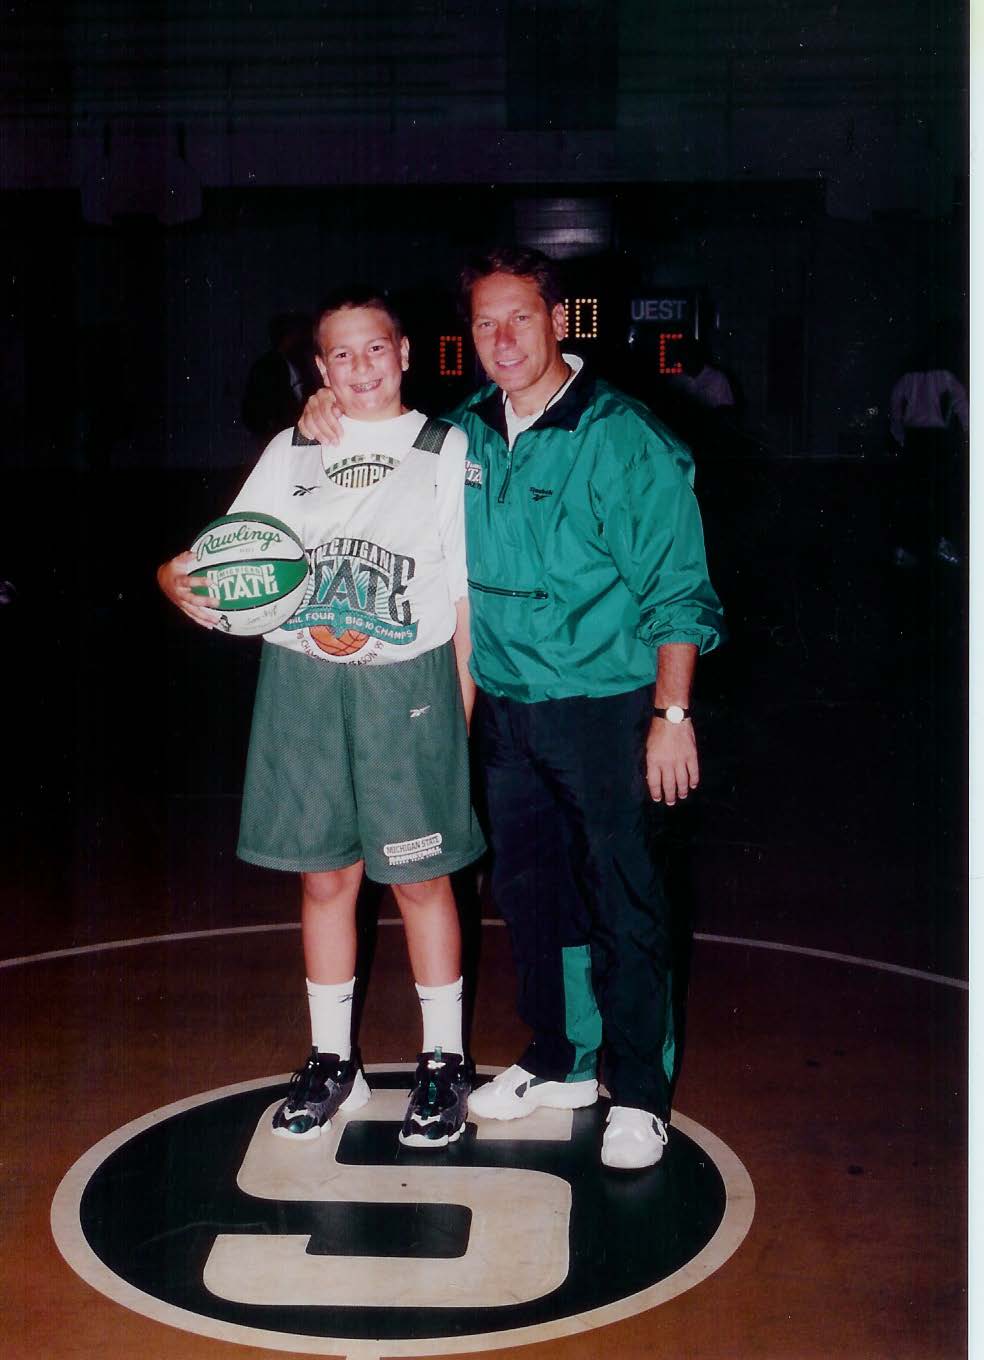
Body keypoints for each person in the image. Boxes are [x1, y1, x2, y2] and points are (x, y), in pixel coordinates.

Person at [300, 247, 724, 1170]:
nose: (501, 340)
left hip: (608, 708)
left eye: (520, 318)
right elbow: (379, 453)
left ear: (558, 321)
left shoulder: (624, 437)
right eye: (485, 323)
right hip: (505, 710)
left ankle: (637, 1092)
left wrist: (672, 714)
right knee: (530, 896)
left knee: (624, 897)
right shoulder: (463, 438)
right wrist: (322, 407)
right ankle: (561, 1058)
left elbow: (681, 591)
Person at [159, 287, 485, 1149]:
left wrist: (458, 705)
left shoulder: (444, 447)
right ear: (319, 368)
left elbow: (460, 595)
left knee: (421, 879)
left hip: (404, 687)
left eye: (374, 349)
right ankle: (330, 1061)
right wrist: (174, 582)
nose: (359, 368)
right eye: (339, 356)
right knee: (323, 877)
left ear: (406, 351)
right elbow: (228, 557)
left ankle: (442, 1064)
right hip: (302, 682)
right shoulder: (294, 444)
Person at [888, 356, 968, 567]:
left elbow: (895, 408)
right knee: (938, 491)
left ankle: (905, 548)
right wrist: (968, 428)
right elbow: (961, 401)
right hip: (934, 439)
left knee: (912, 492)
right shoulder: (943, 376)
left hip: (915, 437)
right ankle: (939, 542)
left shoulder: (907, 379)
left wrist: (901, 437)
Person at [241, 312, 320, 447]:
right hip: (279, 439)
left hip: (300, 436)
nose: (303, 338)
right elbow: (257, 409)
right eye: (298, 333)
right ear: (287, 336)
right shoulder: (267, 367)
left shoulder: (300, 364)